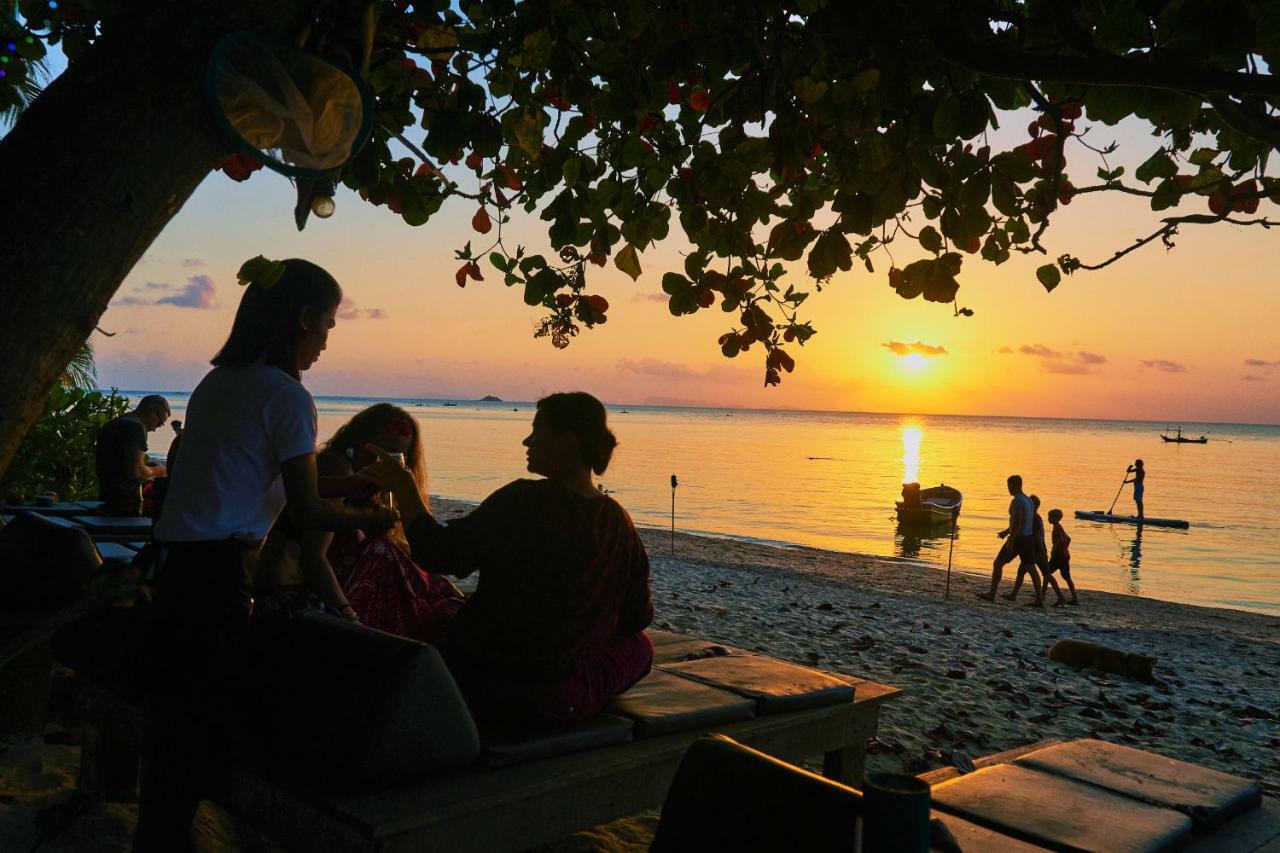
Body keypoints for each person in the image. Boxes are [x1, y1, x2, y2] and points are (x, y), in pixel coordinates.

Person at [134, 259, 396, 852]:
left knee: (173, 742)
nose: (327, 340)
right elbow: (303, 512)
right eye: (327, 325)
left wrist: (350, 487)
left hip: (171, 568)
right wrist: (375, 516)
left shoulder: (218, 384)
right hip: (216, 576)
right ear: (302, 319)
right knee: (200, 741)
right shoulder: (287, 396)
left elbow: (260, 480)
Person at [362, 391, 654, 725]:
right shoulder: (619, 521)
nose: (526, 442)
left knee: (447, 612)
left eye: (537, 432)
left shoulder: (523, 501)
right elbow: (636, 618)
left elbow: (438, 551)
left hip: (487, 682)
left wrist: (405, 488)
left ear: (568, 443)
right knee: (640, 646)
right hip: (558, 693)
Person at [255, 403, 464, 640]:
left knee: (426, 576)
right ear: (361, 441)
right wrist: (350, 619)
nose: (389, 463)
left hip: (323, 584)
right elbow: (314, 558)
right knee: (384, 552)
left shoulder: (366, 483)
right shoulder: (337, 467)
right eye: (383, 451)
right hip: (292, 594)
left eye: (398, 457)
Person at [94, 394, 170, 515]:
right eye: (159, 423)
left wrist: (149, 467)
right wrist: (159, 470)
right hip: (127, 501)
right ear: (152, 412)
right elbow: (135, 473)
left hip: (107, 495)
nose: (155, 429)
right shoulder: (136, 427)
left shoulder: (114, 423)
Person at [978, 474, 1042, 605]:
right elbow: (1023, 521)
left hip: (1019, 539)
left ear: (1014, 486)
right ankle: (1039, 599)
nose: (1008, 489)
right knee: (1031, 568)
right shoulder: (1028, 500)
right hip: (1028, 538)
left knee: (998, 563)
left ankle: (992, 593)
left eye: (1008, 486)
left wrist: (1011, 539)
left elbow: (1018, 522)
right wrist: (1006, 531)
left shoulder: (1017, 501)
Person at [1004, 495, 1066, 606]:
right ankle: (1014, 594)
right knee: (1024, 572)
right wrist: (1007, 532)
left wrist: (1042, 551)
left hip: (1036, 550)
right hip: (1034, 549)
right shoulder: (1035, 517)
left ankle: (1051, 598)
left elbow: (1037, 536)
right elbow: (1019, 525)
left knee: (1045, 574)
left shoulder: (1033, 518)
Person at [1047, 508, 1079, 605]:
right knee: (1066, 577)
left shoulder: (1057, 527)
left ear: (1056, 518)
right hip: (1064, 555)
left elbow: (1062, 539)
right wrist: (1064, 549)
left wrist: (1054, 549)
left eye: (1051, 517)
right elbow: (1068, 538)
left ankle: (1043, 594)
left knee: (1047, 574)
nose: (1049, 518)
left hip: (1059, 556)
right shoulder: (1058, 526)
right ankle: (1075, 598)